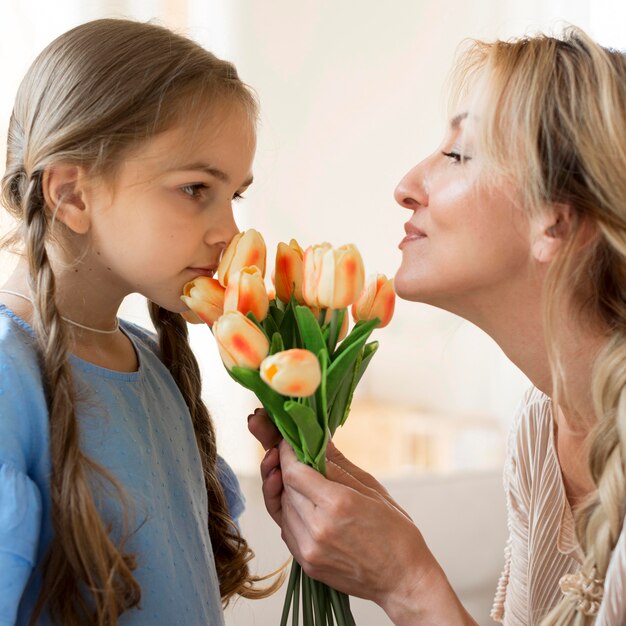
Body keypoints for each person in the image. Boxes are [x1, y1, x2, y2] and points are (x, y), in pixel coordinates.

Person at [248, 27, 626, 625]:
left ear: (554, 222)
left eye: (457, 154)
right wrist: (385, 536)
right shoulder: (541, 432)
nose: (406, 187)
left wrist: (406, 581)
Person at [0, 18, 278, 626]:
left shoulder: (151, 361)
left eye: (235, 195)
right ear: (71, 195)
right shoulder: (6, 376)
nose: (228, 232)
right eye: (195, 188)